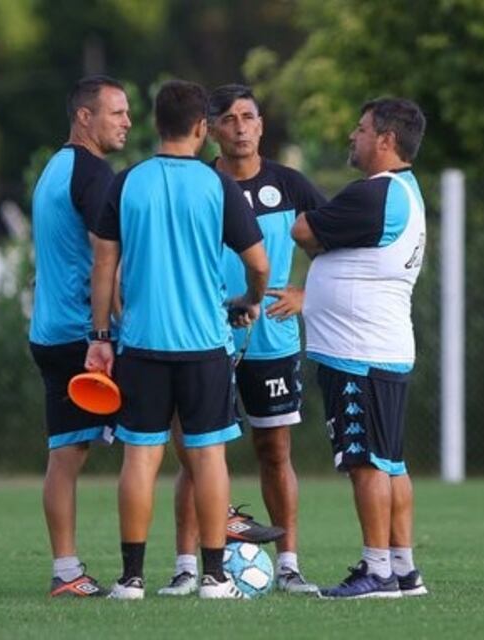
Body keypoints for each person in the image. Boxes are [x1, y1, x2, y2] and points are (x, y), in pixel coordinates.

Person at [86, 79, 269, 600]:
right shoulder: (219, 187)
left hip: (141, 345)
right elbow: (259, 263)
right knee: (209, 456)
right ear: (201, 128)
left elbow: (104, 264)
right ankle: (214, 577)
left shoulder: (126, 183)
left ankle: (131, 578)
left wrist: (101, 334)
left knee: (140, 458)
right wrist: (250, 299)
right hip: (204, 346)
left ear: (154, 124)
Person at [158, 84, 326, 597]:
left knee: (274, 449)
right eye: (227, 118)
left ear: (261, 125)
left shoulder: (291, 186)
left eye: (247, 116)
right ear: (209, 128)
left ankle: (290, 564)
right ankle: (188, 565)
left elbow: (334, 247)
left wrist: (306, 292)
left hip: (272, 338)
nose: (239, 127)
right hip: (205, 336)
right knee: (198, 451)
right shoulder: (199, 181)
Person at [291, 97, 429, 599]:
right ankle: (404, 569)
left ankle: (378, 572)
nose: (353, 135)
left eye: (361, 128)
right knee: (390, 462)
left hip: (359, 352)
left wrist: (321, 242)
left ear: (386, 140)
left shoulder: (374, 194)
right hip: (382, 347)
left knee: (367, 462)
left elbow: (303, 229)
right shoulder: (405, 193)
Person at [28, 75, 131, 598]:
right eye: (116, 112)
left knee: (66, 454)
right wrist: (110, 330)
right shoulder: (93, 173)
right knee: (180, 421)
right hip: (84, 337)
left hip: (49, 331)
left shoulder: (54, 167)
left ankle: (67, 571)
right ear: (84, 118)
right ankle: (201, 555)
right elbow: (105, 257)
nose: (127, 122)